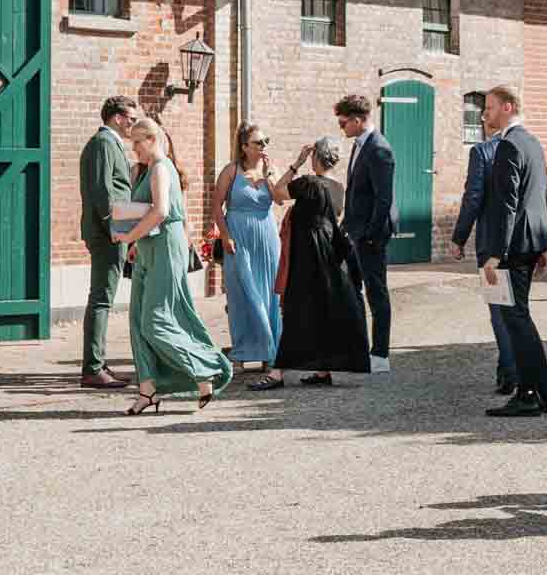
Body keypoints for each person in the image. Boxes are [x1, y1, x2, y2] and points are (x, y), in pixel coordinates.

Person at [115, 117, 231, 413]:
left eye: (137, 143)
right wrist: (136, 245)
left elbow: (161, 211)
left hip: (165, 247)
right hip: (148, 248)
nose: (134, 149)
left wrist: (130, 236)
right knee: (138, 322)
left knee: (156, 321)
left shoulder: (161, 168)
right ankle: (148, 390)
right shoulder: (147, 170)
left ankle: (205, 368)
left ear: (151, 139)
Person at [478, 85, 547, 418]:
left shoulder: (509, 145)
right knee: (519, 318)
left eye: (491, 107)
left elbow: (507, 204)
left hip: (511, 247)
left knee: (516, 319)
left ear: (508, 107)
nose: (485, 114)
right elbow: (542, 197)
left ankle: (530, 394)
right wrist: (543, 245)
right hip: (529, 242)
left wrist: (495, 254)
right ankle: (543, 393)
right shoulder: (533, 142)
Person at [273, 136, 371, 385]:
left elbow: (277, 193)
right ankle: (323, 370)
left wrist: (296, 164)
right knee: (323, 309)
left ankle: (277, 373)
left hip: (308, 253)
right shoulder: (339, 188)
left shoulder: (308, 183)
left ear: (316, 157)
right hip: (330, 253)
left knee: (296, 309)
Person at [211, 123, 283, 388]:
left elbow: (279, 200)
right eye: (258, 142)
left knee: (269, 295)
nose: (264, 146)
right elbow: (216, 205)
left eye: (266, 141)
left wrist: (270, 175)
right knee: (241, 296)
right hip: (238, 238)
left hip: (267, 238)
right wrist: (225, 235)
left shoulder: (268, 170)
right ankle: (242, 354)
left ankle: (269, 353)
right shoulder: (231, 171)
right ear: (244, 146)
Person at [453, 106, 519, 394]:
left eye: (487, 109)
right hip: (521, 240)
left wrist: (459, 236)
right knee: (518, 310)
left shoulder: (481, 152)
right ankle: (515, 370)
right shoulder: (528, 145)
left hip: (492, 242)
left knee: (498, 310)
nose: (482, 117)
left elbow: (473, 196)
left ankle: (509, 372)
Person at [78, 96, 138, 389]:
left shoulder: (110, 144)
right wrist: (114, 227)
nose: (133, 124)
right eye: (131, 118)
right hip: (108, 233)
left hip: (113, 230)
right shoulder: (103, 143)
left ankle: (98, 362)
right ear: (116, 117)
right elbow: (103, 190)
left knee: (104, 297)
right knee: (102, 298)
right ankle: (92, 368)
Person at [336, 93, 396, 373]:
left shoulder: (379, 148)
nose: (342, 127)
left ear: (359, 120)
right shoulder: (360, 145)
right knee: (353, 290)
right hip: (355, 232)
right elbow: (357, 192)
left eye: (344, 122)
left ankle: (380, 355)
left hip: (371, 236)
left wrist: (370, 235)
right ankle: (358, 349)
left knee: (377, 293)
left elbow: (384, 198)